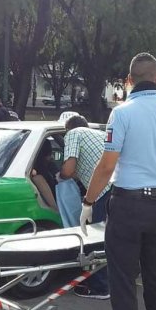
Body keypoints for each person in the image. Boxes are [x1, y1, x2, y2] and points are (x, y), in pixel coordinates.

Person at [80, 52, 156, 310]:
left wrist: (88, 201)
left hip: (128, 205)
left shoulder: (122, 114)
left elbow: (107, 166)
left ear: (129, 80)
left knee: (123, 278)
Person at [59, 114, 111, 300]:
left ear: (68, 129)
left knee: (96, 240)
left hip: (103, 191)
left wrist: (60, 175)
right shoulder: (99, 134)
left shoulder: (73, 134)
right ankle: (113, 281)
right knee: (113, 238)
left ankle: (100, 287)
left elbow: (68, 169)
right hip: (122, 189)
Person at [31, 140, 59, 209]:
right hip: (57, 202)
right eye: (50, 153)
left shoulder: (32, 169)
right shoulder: (46, 168)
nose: (52, 156)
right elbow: (61, 177)